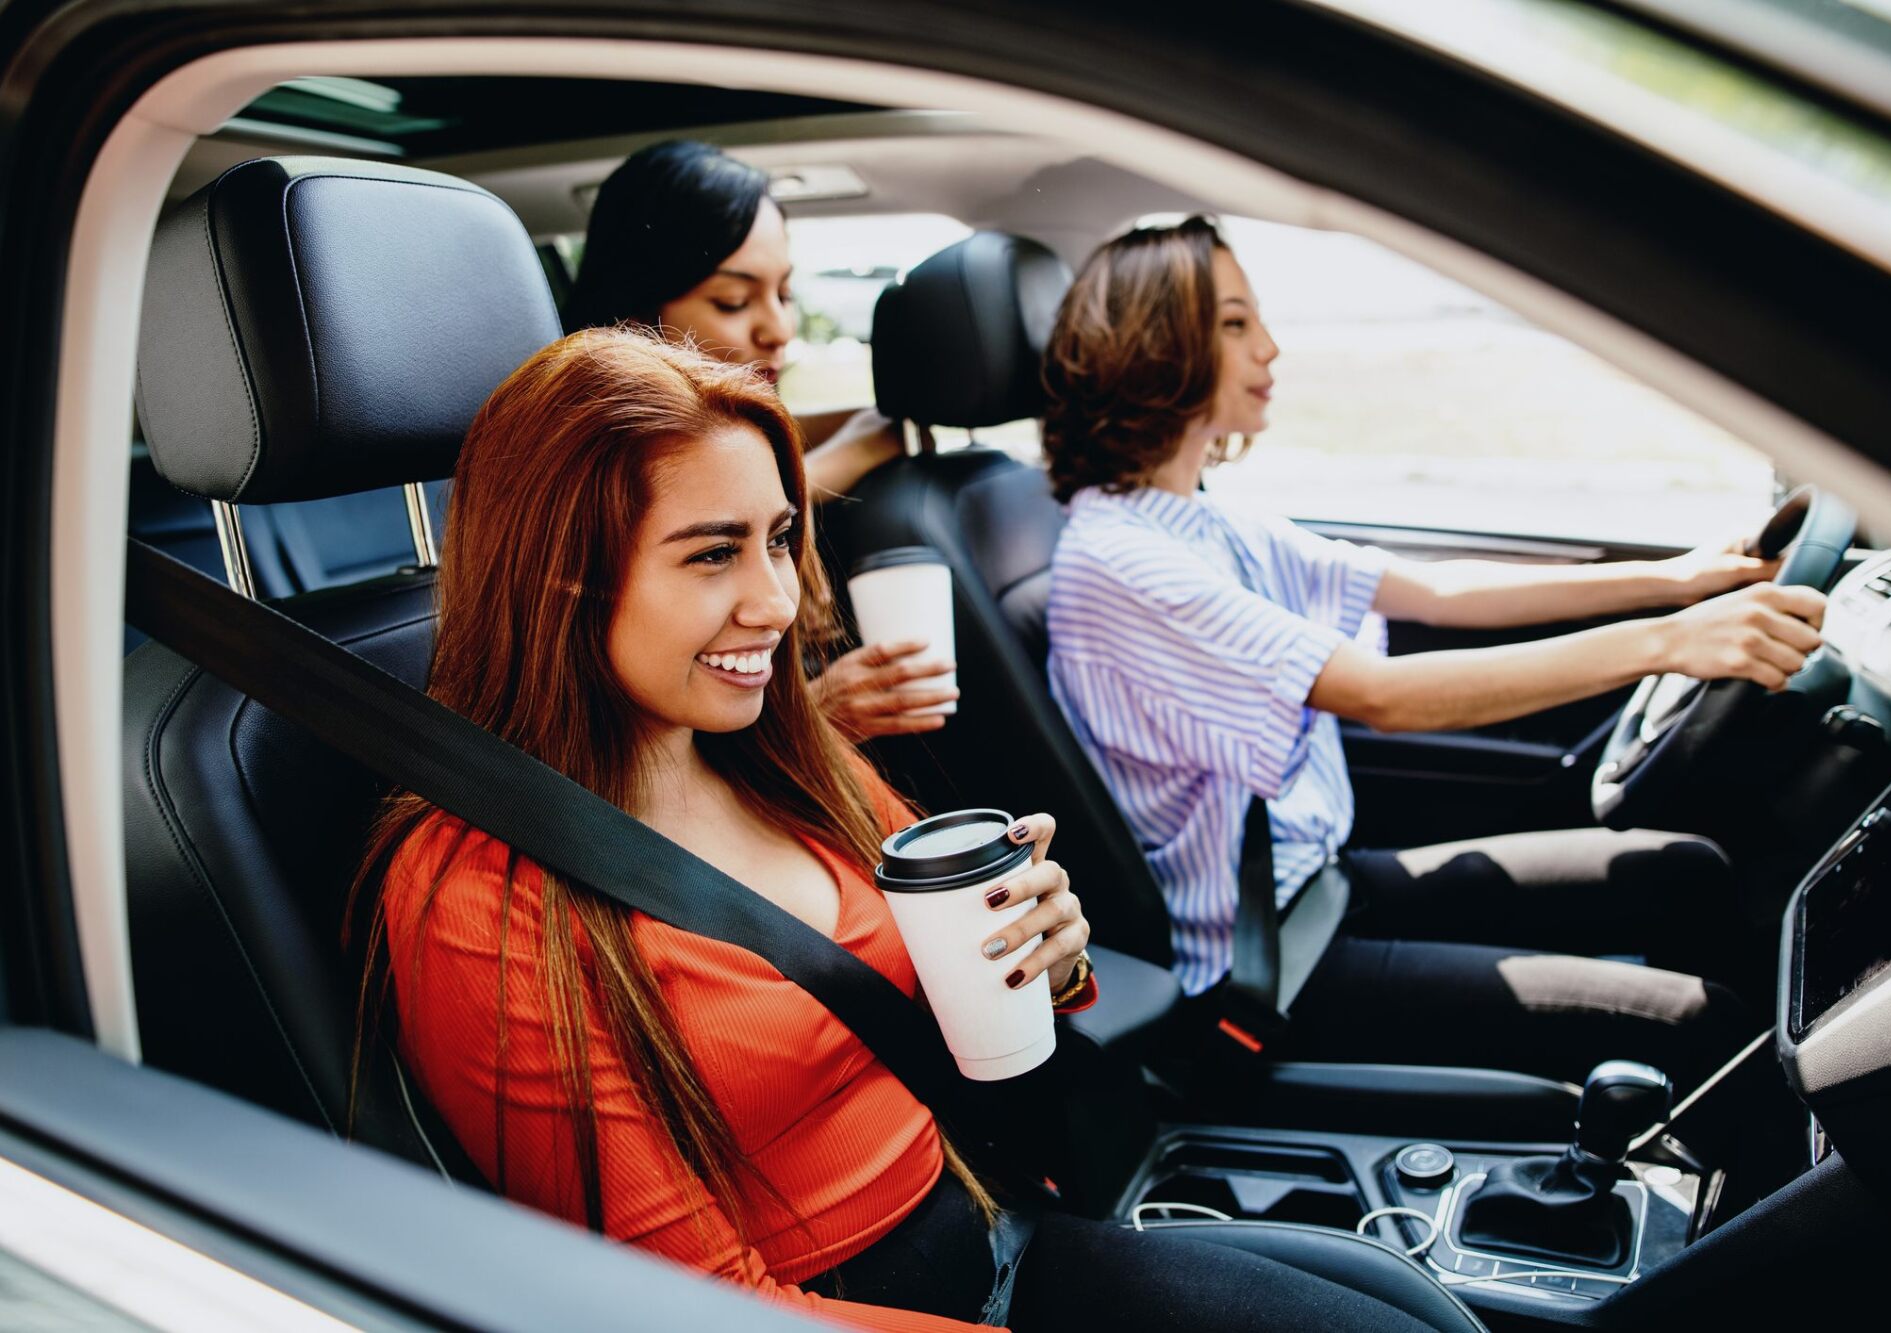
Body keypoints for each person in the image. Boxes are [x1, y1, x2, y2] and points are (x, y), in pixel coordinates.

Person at [352, 329, 1451, 1333]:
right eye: (710, 554)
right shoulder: (476, 893)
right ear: (562, 577)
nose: (778, 601)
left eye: (780, 539)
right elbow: (687, 1313)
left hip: (1000, 1230)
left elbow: (958, 1001)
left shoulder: (782, 759)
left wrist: (1048, 958)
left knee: (1413, 1309)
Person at [1042, 217, 1827, 1086]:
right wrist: (1671, 643)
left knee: (1684, 871)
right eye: (1234, 323)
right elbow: (1383, 695)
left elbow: (1434, 591)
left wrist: (1679, 582)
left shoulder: (1198, 516)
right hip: (1258, 957)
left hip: (1318, 883)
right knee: (1695, 1022)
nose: (1270, 347)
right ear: (1157, 345)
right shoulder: (1121, 562)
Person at [565, 139, 948, 742]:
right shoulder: (588, 479)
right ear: (640, 310)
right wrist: (820, 715)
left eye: (786, 293)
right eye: (734, 300)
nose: (780, 329)